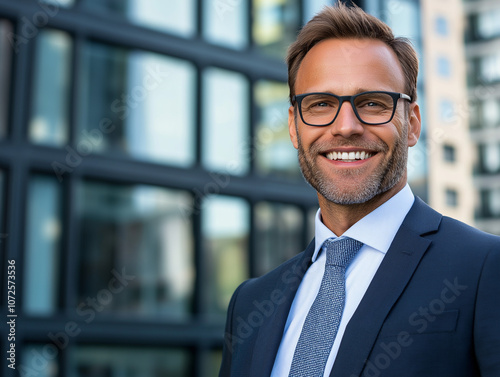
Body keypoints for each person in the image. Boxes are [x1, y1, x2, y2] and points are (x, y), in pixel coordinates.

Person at [218, 3, 500, 377]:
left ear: (412, 123)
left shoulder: (485, 268)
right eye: (320, 104)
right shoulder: (251, 302)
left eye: (371, 103)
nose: (346, 126)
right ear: (293, 126)